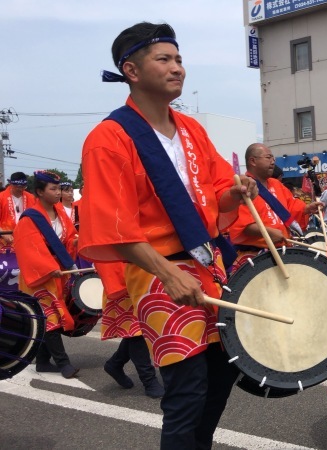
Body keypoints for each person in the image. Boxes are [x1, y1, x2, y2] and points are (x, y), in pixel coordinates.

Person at [79, 22, 258, 447]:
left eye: (178, 59)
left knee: (221, 373)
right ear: (132, 71)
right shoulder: (108, 138)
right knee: (187, 388)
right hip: (156, 269)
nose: (177, 68)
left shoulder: (192, 130)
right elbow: (114, 227)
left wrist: (236, 190)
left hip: (205, 261)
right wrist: (169, 273)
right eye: (164, 59)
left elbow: (218, 193)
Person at [13, 171, 79, 378]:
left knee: (47, 316)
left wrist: (78, 242)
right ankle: (63, 363)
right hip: (40, 274)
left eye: (59, 188)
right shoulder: (29, 218)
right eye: (53, 189)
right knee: (51, 315)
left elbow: (68, 238)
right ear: (40, 192)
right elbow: (29, 249)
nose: (58, 192)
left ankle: (42, 361)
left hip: (57, 272)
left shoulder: (60, 213)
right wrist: (49, 267)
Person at [227, 143, 322, 269]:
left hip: (282, 250)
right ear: (253, 161)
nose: (272, 162)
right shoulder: (243, 186)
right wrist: (268, 232)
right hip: (255, 255)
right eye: (268, 157)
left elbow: (291, 207)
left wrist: (307, 209)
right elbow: (242, 225)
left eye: (273, 159)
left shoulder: (276, 184)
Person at [96, 261, 165, 398]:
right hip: (124, 273)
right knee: (136, 331)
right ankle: (148, 380)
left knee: (137, 330)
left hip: (142, 271)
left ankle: (115, 363)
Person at [0, 172, 36, 243]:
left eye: (23, 186)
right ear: (11, 184)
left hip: (26, 238)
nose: (21, 189)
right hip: (4, 239)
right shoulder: (1, 197)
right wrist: (3, 234)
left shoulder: (31, 198)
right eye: (18, 186)